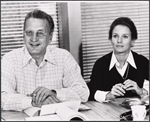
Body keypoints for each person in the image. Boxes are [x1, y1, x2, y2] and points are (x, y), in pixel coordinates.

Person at [1, 9, 89, 111]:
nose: (34, 38)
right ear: (23, 35)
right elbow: (3, 98)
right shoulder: (9, 60)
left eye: (40, 33)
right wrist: (34, 101)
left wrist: (54, 93)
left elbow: (83, 92)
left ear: (50, 37)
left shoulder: (64, 57)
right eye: (29, 33)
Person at [88, 17, 149, 102]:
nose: (119, 41)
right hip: (108, 113)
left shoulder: (143, 62)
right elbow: (91, 92)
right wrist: (109, 95)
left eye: (125, 36)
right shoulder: (101, 64)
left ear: (133, 41)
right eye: (115, 36)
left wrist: (141, 91)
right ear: (110, 39)